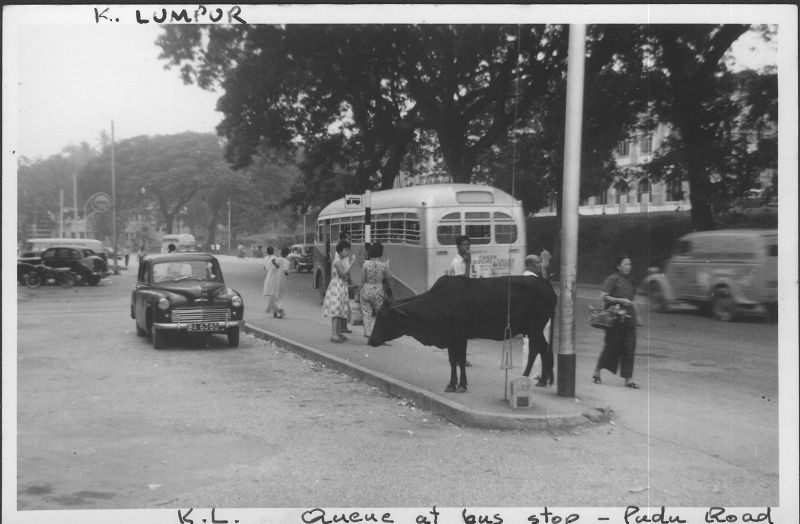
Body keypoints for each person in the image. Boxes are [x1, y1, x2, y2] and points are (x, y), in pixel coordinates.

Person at [593, 255, 640, 389]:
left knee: (630, 347)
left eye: (629, 264)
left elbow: (632, 300)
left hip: (630, 318)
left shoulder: (631, 280)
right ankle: (597, 372)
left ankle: (628, 379)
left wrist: (638, 316)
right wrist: (620, 300)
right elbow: (603, 296)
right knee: (611, 347)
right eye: (626, 264)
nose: (628, 267)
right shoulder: (612, 279)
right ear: (618, 266)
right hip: (614, 319)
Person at [521, 254, 554, 386]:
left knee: (536, 346)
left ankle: (536, 374)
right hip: (537, 319)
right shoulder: (531, 280)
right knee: (540, 346)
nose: (539, 265)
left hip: (534, 319)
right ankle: (542, 374)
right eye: (536, 263)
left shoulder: (532, 280)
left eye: (540, 262)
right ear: (529, 265)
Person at [359, 242, 392, 339]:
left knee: (366, 313)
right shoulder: (383, 265)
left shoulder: (365, 264)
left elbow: (362, 281)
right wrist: (387, 266)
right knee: (381, 315)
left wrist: (357, 294)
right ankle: (381, 336)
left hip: (366, 290)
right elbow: (389, 277)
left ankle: (368, 333)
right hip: (378, 291)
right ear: (380, 253)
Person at [449, 235, 472, 366]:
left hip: (462, 299)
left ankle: (458, 357)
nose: (467, 247)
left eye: (468, 244)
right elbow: (464, 281)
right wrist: (468, 263)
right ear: (458, 247)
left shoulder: (463, 260)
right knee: (460, 332)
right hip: (457, 301)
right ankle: (459, 358)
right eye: (464, 244)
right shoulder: (458, 262)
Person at [322, 240, 352, 343]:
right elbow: (343, 274)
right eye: (346, 250)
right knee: (336, 312)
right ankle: (334, 334)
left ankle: (338, 333)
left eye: (348, 250)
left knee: (339, 311)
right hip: (337, 287)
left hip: (340, 286)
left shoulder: (340, 261)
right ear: (340, 251)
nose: (347, 252)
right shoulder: (338, 261)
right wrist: (351, 264)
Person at [336, 230, 355, 334]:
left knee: (345, 304)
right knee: (343, 305)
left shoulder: (345, 254)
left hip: (344, 281)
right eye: (348, 238)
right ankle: (341, 328)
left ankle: (344, 327)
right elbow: (342, 270)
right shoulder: (339, 255)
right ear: (343, 239)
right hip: (341, 282)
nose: (349, 240)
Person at [266, 247, 291, 318]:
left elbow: (275, 263)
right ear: (287, 254)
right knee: (280, 296)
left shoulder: (279, 259)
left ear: (281, 252)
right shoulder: (287, 261)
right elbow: (287, 272)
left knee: (274, 295)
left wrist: (273, 261)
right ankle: (276, 312)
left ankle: (279, 311)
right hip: (283, 281)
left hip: (277, 280)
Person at [262, 247, 280, 316]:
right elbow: (277, 267)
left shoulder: (268, 258)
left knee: (272, 294)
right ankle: (274, 310)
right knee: (272, 294)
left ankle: (271, 309)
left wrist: (272, 264)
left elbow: (265, 268)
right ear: (273, 251)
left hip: (270, 277)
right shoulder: (272, 258)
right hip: (272, 277)